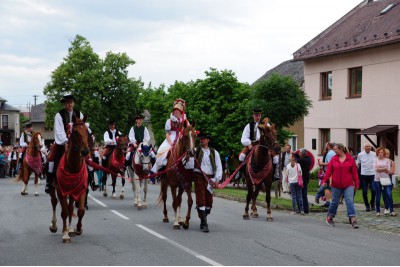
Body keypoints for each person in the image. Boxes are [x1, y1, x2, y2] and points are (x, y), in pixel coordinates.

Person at [46, 94, 87, 194]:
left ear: (73, 103)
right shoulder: (59, 115)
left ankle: (90, 180)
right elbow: (59, 131)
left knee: (88, 158)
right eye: (67, 103)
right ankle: (49, 181)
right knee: (51, 158)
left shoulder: (79, 114)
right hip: (62, 142)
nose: (70, 104)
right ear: (65, 104)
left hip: (77, 143)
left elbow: (83, 127)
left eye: (71, 102)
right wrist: (65, 141)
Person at [322, 143, 359, 228]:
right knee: (335, 202)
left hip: (348, 184)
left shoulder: (350, 159)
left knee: (349, 201)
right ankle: (330, 217)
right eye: (334, 149)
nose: (334, 151)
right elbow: (328, 171)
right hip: (336, 185)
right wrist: (324, 180)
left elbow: (354, 173)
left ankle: (352, 218)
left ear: (341, 149)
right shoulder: (333, 159)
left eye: (336, 149)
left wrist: (357, 183)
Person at [193, 132, 222, 232]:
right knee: (201, 200)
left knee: (209, 203)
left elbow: (219, 166)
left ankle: (203, 218)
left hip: (210, 179)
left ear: (208, 140)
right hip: (199, 178)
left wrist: (217, 180)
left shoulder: (214, 152)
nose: (202, 140)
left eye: (204, 139)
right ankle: (204, 224)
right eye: (201, 139)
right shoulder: (195, 151)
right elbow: (188, 162)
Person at [150, 99, 187, 175]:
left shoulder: (185, 121)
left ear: (181, 112)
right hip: (171, 138)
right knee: (162, 151)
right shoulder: (169, 121)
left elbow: (189, 130)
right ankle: (159, 170)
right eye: (175, 111)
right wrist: (171, 143)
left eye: (178, 111)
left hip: (181, 138)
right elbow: (167, 134)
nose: (176, 112)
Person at [373, 147, 397, 217]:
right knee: (378, 195)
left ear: (383, 153)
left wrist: (380, 168)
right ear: (377, 153)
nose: (380, 153)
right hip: (377, 179)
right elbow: (375, 169)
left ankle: (392, 210)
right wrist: (383, 168)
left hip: (386, 179)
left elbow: (388, 170)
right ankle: (378, 211)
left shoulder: (387, 160)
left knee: (389, 194)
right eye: (379, 152)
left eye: (381, 152)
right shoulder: (375, 160)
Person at [357, 143, 376, 212]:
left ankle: (372, 203)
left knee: (373, 190)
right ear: (364, 147)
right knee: (364, 191)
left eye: (369, 146)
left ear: (371, 147)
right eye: (366, 146)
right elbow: (358, 164)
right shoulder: (360, 154)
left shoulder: (374, 154)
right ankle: (367, 205)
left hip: (372, 174)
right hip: (363, 174)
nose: (368, 147)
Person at [317, 142, 335, 207]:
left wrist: (322, 164)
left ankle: (328, 202)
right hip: (331, 172)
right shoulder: (332, 153)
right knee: (329, 187)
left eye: (326, 145)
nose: (325, 146)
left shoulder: (330, 153)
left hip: (329, 172)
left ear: (328, 146)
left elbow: (330, 164)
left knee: (327, 187)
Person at [297, 148, 311, 214]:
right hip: (307, 177)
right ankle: (306, 209)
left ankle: (301, 208)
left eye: (299, 152)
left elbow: (296, 164)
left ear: (301, 154)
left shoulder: (301, 160)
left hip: (302, 178)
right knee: (304, 193)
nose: (299, 153)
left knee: (301, 194)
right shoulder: (308, 159)